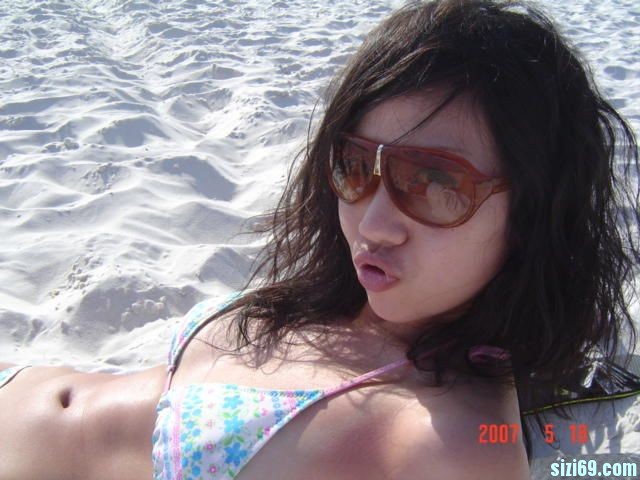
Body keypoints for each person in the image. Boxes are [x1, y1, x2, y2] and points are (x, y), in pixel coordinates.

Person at [1, 0, 638, 478]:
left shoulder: (451, 444)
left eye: (435, 182)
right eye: (354, 165)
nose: (373, 222)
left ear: (532, 216)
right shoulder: (350, 297)